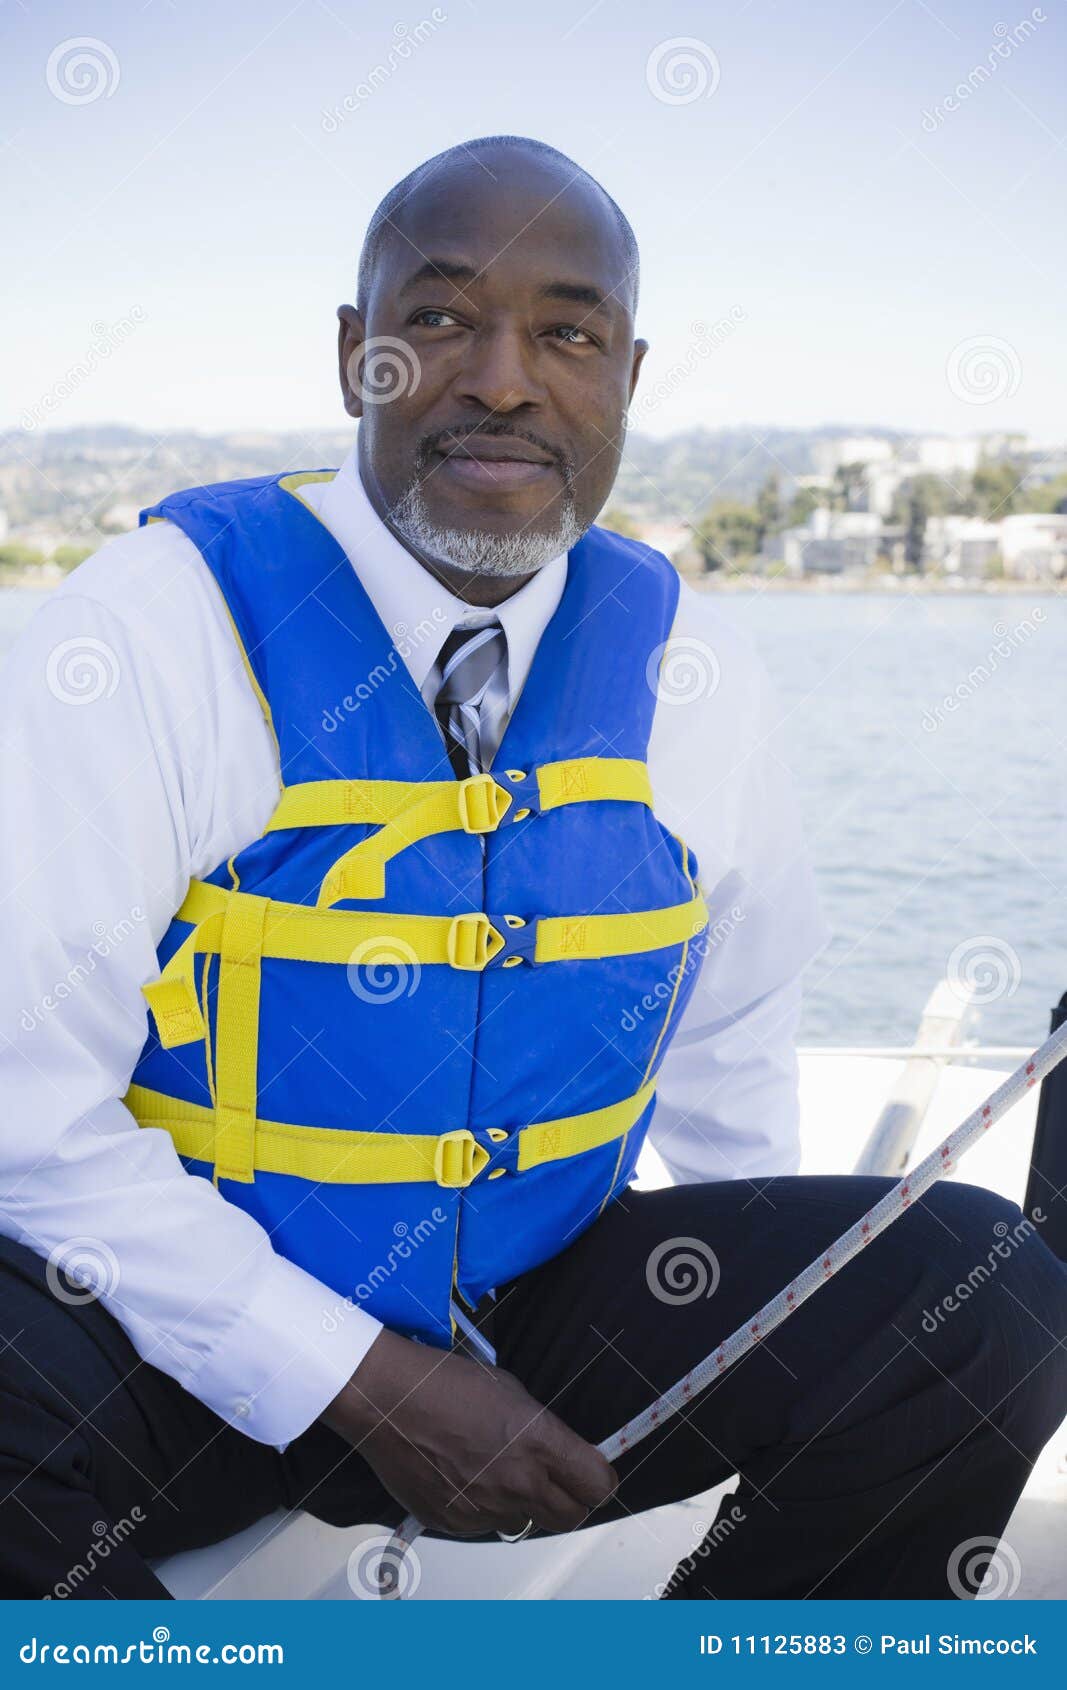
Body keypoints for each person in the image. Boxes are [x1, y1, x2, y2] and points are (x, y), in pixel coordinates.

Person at [1, 135, 1063, 1602]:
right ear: (353, 353)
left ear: (628, 377)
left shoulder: (698, 670)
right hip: (177, 1339)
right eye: (438, 319)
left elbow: (736, 1057)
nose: (503, 376)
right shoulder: (145, 631)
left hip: (543, 1321)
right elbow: (20, 1107)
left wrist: (773, 1353)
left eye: (567, 331)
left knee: (984, 1291)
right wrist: (366, 1379)